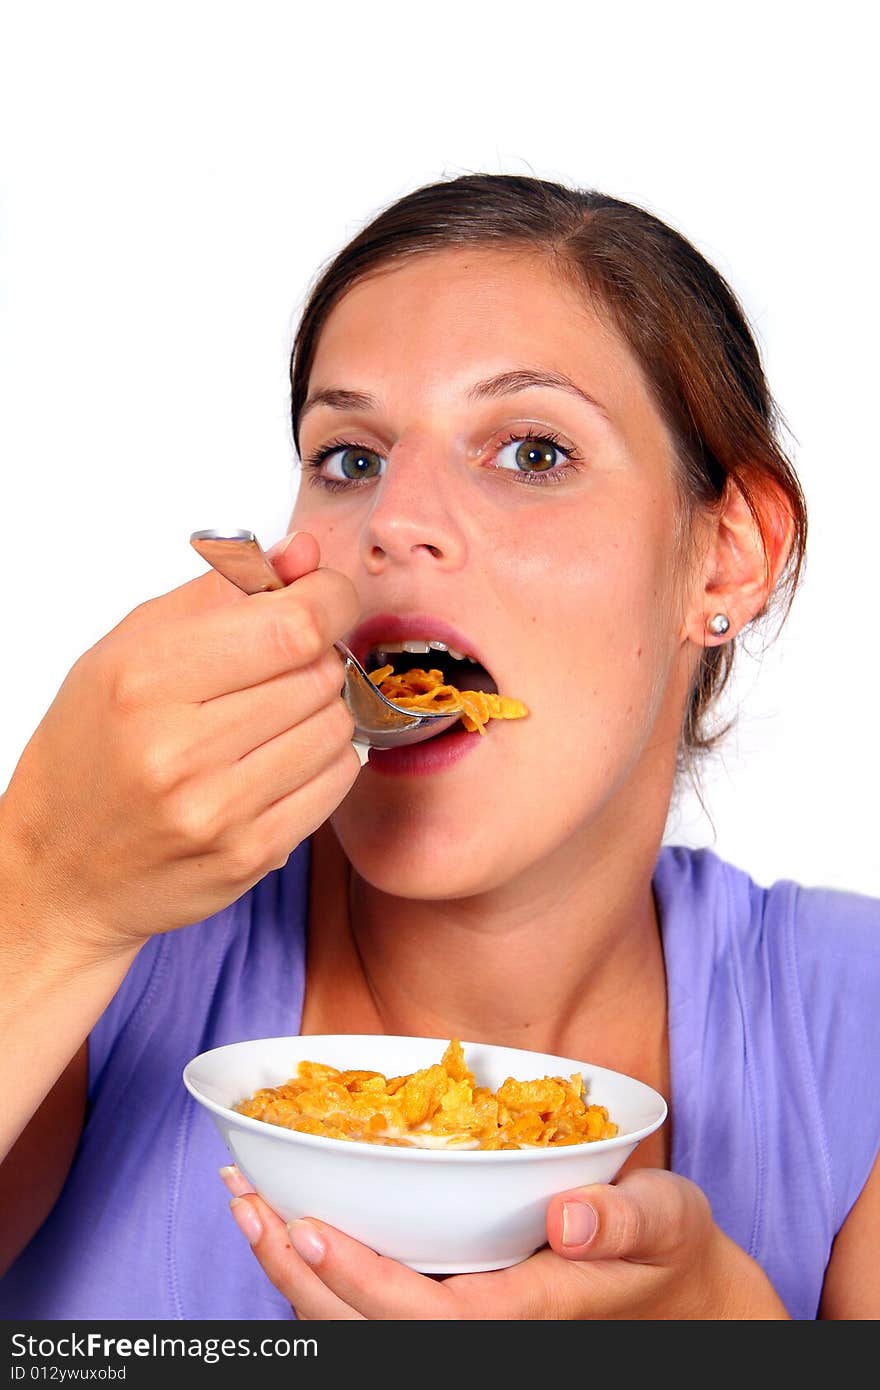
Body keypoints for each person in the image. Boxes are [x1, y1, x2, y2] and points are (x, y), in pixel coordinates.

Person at [0, 174, 877, 1322]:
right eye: (349, 458)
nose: (392, 517)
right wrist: (48, 888)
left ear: (728, 556)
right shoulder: (111, 964)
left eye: (531, 452)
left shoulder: (857, 1029)